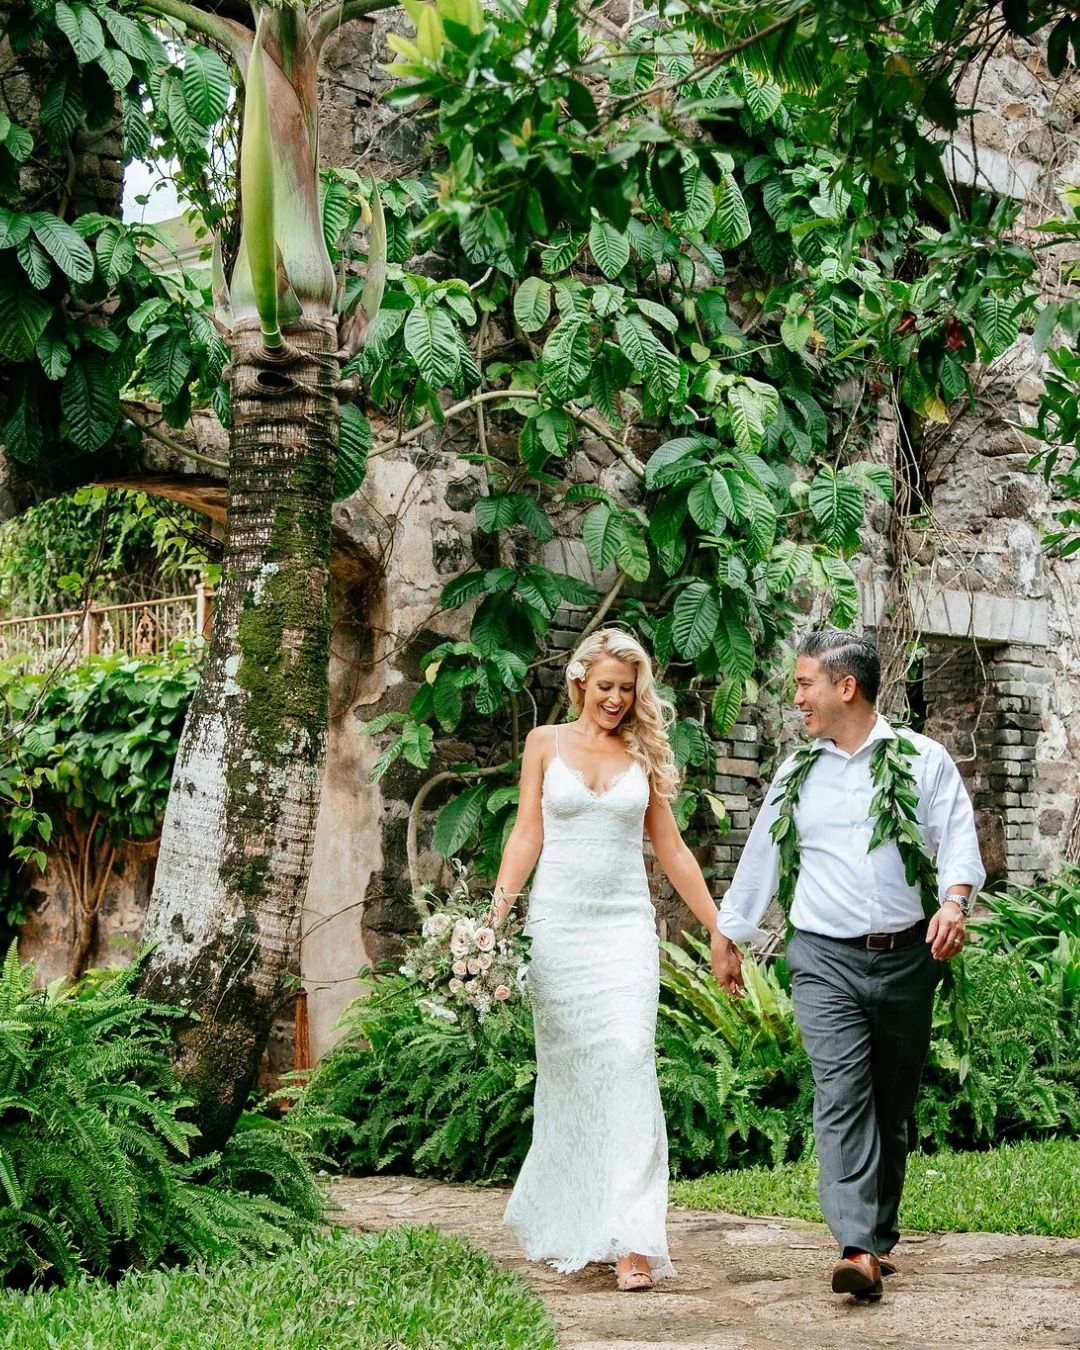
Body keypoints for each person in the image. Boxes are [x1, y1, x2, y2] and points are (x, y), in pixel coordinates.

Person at [712, 629, 986, 1301]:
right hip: (823, 958)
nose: (796, 696)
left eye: (805, 683)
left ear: (845, 687)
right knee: (840, 1094)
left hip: (906, 958)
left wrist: (953, 904)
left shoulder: (922, 761)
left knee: (891, 1102)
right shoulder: (797, 771)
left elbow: (958, 844)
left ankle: (878, 1235)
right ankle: (854, 1247)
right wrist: (731, 933)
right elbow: (761, 858)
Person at [490, 628, 726, 1291]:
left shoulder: (644, 755)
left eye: (627, 688)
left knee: (627, 1060)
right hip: (559, 931)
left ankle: (633, 1242)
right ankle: (580, 1219)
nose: (616, 700)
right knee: (571, 1082)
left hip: (624, 930)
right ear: (578, 684)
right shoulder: (545, 745)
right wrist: (495, 918)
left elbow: (673, 853)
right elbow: (527, 833)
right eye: (605, 688)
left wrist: (719, 927)